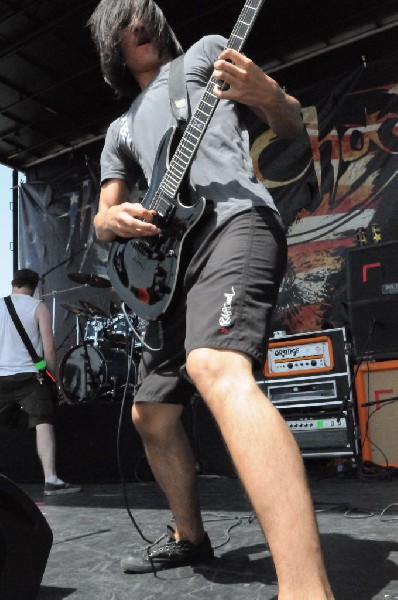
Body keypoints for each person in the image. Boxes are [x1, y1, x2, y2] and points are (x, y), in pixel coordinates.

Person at [89, 1, 334, 597]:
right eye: (122, 23)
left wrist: (267, 94)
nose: (137, 27)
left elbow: (292, 126)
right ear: (110, 45)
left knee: (215, 364)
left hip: (232, 224)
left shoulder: (201, 54)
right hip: (168, 267)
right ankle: (189, 534)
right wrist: (112, 219)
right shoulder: (119, 130)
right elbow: (102, 217)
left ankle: (307, 588)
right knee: (152, 412)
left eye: (143, 15)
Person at [0, 269, 81, 496]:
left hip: (1, 376)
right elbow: (48, 350)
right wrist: (50, 377)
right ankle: (51, 480)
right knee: (42, 422)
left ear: (13, 283)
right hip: (31, 375)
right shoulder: (38, 307)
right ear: (35, 287)